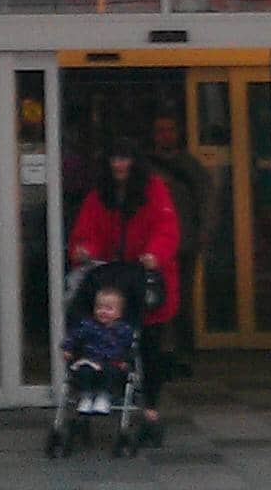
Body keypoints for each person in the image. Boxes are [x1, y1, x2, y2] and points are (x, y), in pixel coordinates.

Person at [66, 139, 180, 439]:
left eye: (125, 158)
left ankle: (150, 409)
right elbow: (87, 230)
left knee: (149, 346)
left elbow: (166, 228)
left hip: (144, 279)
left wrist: (154, 254)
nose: (119, 165)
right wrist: (85, 250)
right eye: (115, 158)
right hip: (109, 279)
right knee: (93, 336)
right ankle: (87, 399)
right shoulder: (98, 195)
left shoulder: (153, 190)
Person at [142, 112, 216, 369]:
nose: (165, 135)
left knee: (181, 299)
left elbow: (207, 200)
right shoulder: (145, 168)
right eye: (160, 129)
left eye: (170, 129)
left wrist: (203, 233)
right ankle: (160, 352)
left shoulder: (191, 166)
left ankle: (183, 352)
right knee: (154, 299)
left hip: (184, 243)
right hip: (154, 248)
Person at [62, 278, 137, 416]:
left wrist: (127, 361)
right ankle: (86, 396)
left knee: (112, 373)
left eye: (109, 309)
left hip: (112, 362)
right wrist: (68, 348)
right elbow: (74, 336)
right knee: (83, 371)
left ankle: (104, 397)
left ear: (119, 313)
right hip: (91, 359)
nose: (103, 311)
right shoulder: (88, 325)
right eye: (99, 307)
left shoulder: (124, 330)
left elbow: (129, 347)